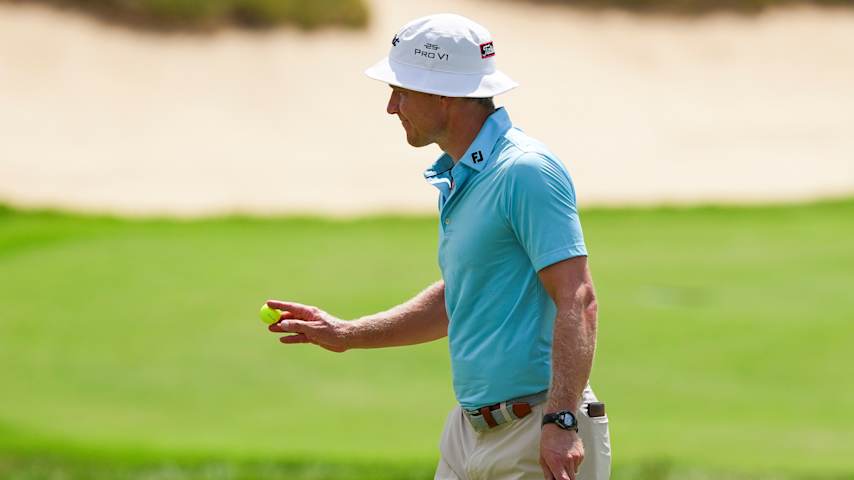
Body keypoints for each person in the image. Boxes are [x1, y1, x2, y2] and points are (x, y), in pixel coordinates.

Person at [266, 13, 611, 480]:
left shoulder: (525, 171)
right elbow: (461, 298)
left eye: (402, 91)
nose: (392, 107)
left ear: (445, 94)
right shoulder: (462, 175)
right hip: (467, 434)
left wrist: (562, 420)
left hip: (539, 431)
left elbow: (578, 297)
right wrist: (347, 334)